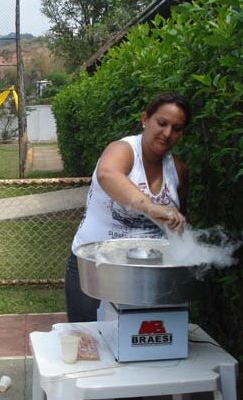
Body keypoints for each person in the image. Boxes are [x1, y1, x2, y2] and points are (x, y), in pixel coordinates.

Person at [66, 92, 191, 322]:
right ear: (145, 119)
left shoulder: (178, 169)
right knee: (91, 345)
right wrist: (151, 208)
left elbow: (181, 220)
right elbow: (107, 174)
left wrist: (178, 226)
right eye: (161, 123)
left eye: (176, 128)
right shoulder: (123, 150)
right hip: (97, 268)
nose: (167, 133)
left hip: (150, 275)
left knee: (146, 346)